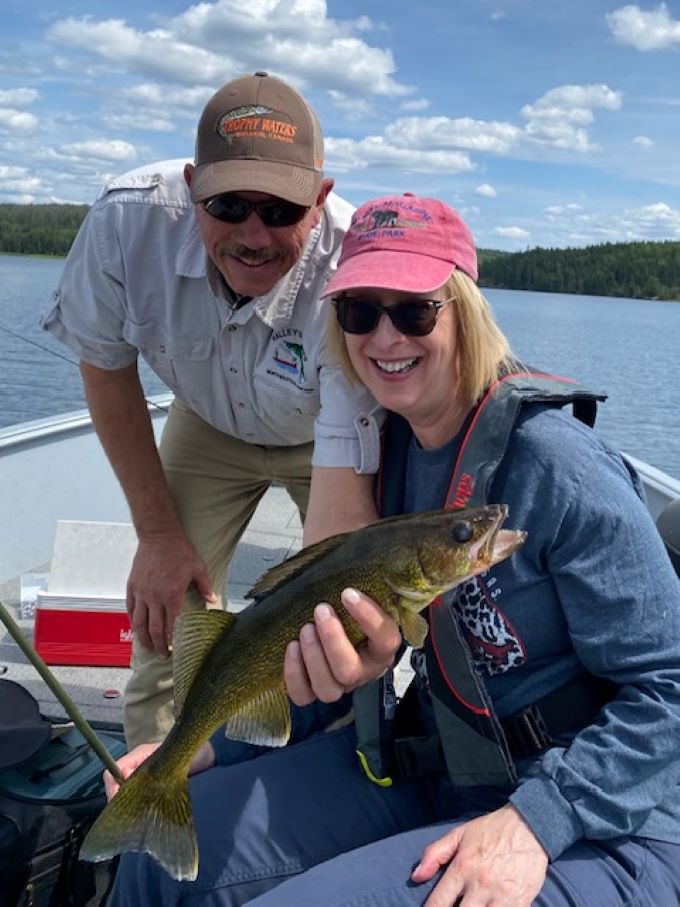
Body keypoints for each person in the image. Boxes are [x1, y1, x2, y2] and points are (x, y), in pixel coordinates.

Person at [105, 194, 680, 906]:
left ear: (464, 310)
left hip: (608, 818)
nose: (385, 337)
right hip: (442, 766)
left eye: (414, 310)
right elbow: (321, 649)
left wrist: (538, 821)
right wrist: (211, 743)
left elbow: (670, 689)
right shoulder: (395, 454)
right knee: (150, 864)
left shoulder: (559, 465)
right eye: (359, 312)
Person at [40, 72, 386, 748]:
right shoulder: (124, 223)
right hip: (205, 422)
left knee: (335, 632)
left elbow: (353, 441)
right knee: (164, 626)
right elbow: (108, 371)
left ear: (321, 198)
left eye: (281, 212)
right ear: (192, 184)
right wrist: (158, 536)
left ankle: (325, 789)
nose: (252, 235)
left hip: (330, 438)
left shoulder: (356, 267)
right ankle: (151, 807)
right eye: (227, 205)